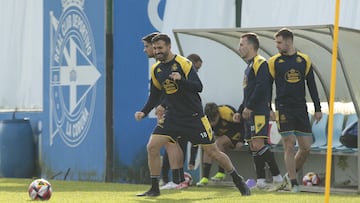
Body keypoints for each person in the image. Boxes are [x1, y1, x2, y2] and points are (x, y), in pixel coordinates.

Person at [135, 33, 250, 197]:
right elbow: (154, 95)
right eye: (155, 48)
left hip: (193, 117)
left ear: (169, 47)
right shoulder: (156, 69)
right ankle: (154, 188)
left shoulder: (184, 63)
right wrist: (144, 112)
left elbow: (198, 87)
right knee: (152, 146)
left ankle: (238, 180)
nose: (157, 51)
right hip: (173, 117)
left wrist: (180, 79)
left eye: (160, 48)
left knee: (213, 152)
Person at [268, 28, 322, 192]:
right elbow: (267, 87)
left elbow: (312, 85)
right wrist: (268, 107)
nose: (277, 46)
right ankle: (293, 182)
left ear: (288, 41)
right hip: (283, 108)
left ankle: (288, 176)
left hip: (301, 108)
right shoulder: (273, 61)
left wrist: (318, 108)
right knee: (289, 144)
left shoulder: (304, 60)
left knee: (306, 148)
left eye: (279, 42)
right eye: (276, 42)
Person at [234, 32, 283, 190]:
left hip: (258, 111)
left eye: (242, 44)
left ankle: (277, 177)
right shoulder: (249, 66)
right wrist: (240, 110)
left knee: (258, 143)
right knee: (253, 146)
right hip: (251, 111)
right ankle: (261, 181)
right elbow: (248, 93)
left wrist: (251, 107)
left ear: (251, 46)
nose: (239, 47)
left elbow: (262, 87)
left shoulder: (260, 62)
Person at [139, 32, 188, 192]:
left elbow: (173, 90)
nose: (146, 50)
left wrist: (163, 104)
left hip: (175, 110)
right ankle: (176, 179)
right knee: (167, 143)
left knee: (170, 142)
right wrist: (145, 111)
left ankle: (176, 180)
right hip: (169, 108)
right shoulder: (157, 67)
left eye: (148, 46)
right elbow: (158, 91)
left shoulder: (170, 63)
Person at [159, 54, 203, 189]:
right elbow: (167, 93)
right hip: (173, 114)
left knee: (182, 146)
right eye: (196, 67)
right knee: (169, 145)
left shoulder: (187, 77)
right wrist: (161, 106)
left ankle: (176, 180)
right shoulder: (172, 69)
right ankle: (167, 179)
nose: (196, 71)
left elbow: (197, 87)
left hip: (187, 116)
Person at [196, 102, 245, 186]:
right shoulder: (204, 118)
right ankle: (205, 177)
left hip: (235, 132)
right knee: (207, 145)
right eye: (210, 120)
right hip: (221, 134)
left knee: (219, 142)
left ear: (218, 113)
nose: (212, 123)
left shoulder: (227, 113)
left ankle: (221, 172)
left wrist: (241, 140)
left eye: (214, 119)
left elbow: (241, 125)